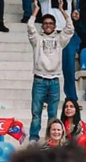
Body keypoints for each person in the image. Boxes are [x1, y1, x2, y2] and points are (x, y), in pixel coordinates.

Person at [29, 9, 72, 140]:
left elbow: (70, 28)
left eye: (51, 23)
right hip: (39, 80)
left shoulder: (59, 40)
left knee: (52, 114)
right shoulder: (37, 39)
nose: (48, 25)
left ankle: (50, 139)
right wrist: (36, 10)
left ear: (55, 25)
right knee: (36, 113)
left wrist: (62, 11)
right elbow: (30, 26)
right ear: (42, 25)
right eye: (45, 23)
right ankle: (33, 138)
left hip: (54, 80)